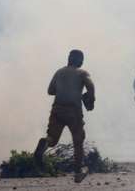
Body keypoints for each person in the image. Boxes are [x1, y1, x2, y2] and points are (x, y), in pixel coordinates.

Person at [34, 49, 95, 183]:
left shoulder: (59, 72)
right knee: (78, 141)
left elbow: (50, 91)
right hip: (73, 111)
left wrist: (63, 88)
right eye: (82, 59)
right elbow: (90, 85)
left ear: (69, 59)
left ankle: (45, 143)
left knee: (52, 138)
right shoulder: (82, 73)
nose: (82, 62)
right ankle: (78, 172)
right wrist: (91, 99)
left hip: (57, 109)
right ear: (78, 60)